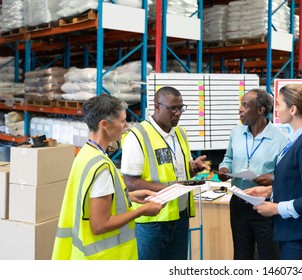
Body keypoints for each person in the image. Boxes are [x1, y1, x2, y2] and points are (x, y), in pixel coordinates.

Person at [52, 94, 164, 260]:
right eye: (122, 121)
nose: (126, 126)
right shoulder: (102, 167)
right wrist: (142, 211)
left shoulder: (85, 154)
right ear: (104, 124)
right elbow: (100, 225)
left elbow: (90, 201)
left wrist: (130, 196)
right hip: (105, 256)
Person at [120, 86, 210, 260]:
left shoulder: (180, 133)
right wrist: (170, 189)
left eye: (181, 108)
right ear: (157, 106)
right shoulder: (137, 136)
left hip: (180, 215)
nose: (178, 113)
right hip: (152, 220)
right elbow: (130, 181)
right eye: (172, 108)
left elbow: (179, 171)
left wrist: (193, 168)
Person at [245, 84, 302, 260]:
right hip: (291, 232)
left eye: (279, 104)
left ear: (292, 109)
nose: (276, 109)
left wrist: (275, 208)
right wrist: (269, 191)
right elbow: (295, 179)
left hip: (301, 236)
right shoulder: (296, 139)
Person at [217, 89, 288, 260]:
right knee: (241, 256)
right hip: (239, 203)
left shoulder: (281, 139)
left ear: (260, 110)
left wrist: (271, 179)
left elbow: (287, 175)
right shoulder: (236, 132)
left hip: (265, 206)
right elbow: (228, 158)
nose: (240, 109)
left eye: (245, 105)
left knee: (269, 256)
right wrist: (224, 169)